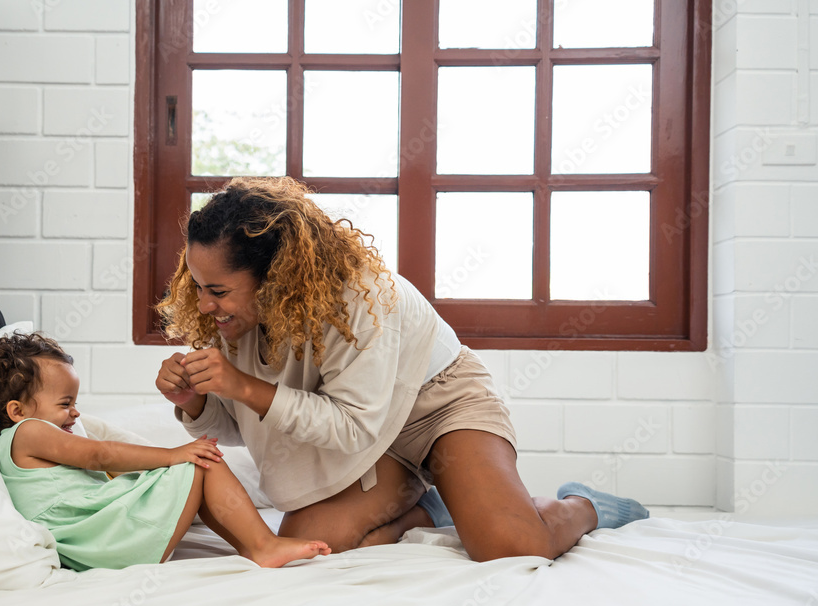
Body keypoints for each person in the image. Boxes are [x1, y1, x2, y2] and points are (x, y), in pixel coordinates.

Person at [155, 176, 649, 563]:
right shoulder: (241, 319)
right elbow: (249, 425)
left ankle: (586, 505)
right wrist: (196, 403)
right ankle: (427, 508)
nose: (202, 305)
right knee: (307, 541)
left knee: (513, 546)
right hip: (373, 436)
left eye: (217, 290)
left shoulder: (365, 299)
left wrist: (243, 385)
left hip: (436, 405)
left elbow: (349, 425)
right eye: (197, 285)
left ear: (275, 278)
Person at [0, 331, 330, 570]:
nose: (76, 413)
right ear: (17, 410)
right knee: (201, 462)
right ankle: (264, 544)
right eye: (66, 403)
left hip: (97, 536)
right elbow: (100, 455)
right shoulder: (28, 432)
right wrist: (174, 455)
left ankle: (253, 545)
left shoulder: (28, 435)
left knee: (194, 463)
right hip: (98, 537)